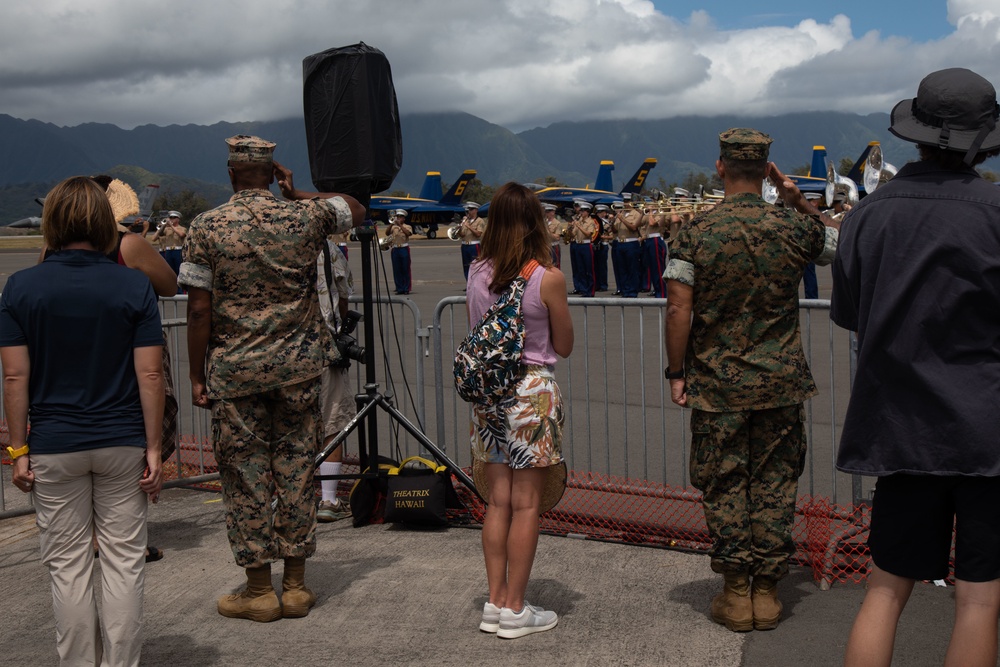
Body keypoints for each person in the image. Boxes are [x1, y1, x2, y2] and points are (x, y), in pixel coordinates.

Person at [832, 68, 1000, 667]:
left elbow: (853, 315)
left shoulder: (868, 215)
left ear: (919, 133)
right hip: (987, 434)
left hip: (900, 429)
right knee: (980, 602)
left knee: (883, 588)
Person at [178, 135, 364, 622]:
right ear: (273, 174)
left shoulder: (206, 225)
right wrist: (298, 194)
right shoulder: (304, 217)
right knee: (298, 468)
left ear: (231, 173)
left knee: (245, 476)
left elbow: (199, 310)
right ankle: (297, 586)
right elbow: (355, 209)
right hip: (299, 369)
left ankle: (259, 590)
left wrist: (197, 375)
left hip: (235, 372)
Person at [664, 128, 839, 632]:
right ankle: (768, 590)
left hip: (718, 385)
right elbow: (836, 243)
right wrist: (797, 201)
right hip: (780, 382)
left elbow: (679, 307)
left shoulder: (696, 232)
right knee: (774, 483)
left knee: (725, 483)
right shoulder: (790, 226)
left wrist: (677, 373)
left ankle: (736, 592)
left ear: (720, 168)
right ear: (766, 170)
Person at [1, 176, 164, 666]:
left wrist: (17, 449)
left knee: (67, 570)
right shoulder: (133, 284)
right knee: (123, 564)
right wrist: (153, 447)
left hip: (54, 443)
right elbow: (150, 372)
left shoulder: (22, 286)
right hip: (121, 440)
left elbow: (14, 377)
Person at [467, 182, 573, 639]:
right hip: (531, 394)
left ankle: (494, 601)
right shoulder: (546, 277)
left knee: (497, 502)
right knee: (528, 505)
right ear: (536, 221)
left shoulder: (476, 272)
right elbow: (564, 346)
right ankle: (515, 608)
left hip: (490, 394)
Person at [315, 240, 356, 523]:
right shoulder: (325, 247)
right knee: (332, 421)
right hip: (320, 344)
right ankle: (328, 499)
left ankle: (289, 495)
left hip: (274, 349)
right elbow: (342, 294)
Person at [569, 202, 596, 297]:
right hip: (578, 245)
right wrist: (570, 228)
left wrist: (579, 226)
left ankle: (591, 290)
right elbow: (573, 234)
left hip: (586, 245)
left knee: (589, 269)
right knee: (581, 269)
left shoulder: (590, 222)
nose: (581, 213)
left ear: (587, 212)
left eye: (583, 211)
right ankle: (584, 290)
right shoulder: (579, 221)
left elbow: (588, 234)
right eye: (581, 211)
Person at [151, 210, 186, 281]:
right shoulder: (166, 229)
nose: (171, 219)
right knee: (170, 270)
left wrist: (172, 226)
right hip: (168, 251)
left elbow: (182, 235)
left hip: (178, 251)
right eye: (170, 217)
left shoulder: (182, 228)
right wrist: (163, 226)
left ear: (178, 219)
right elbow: (158, 235)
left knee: (178, 270)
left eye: (173, 218)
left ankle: (180, 289)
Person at [386, 208, 413, 294]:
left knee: (405, 269)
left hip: (403, 248)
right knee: (396, 269)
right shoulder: (393, 227)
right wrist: (391, 224)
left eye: (400, 217)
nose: (398, 218)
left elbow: (408, 233)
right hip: (395, 249)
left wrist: (400, 225)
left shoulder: (407, 226)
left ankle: (406, 288)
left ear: (404, 218)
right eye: (397, 216)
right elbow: (387, 233)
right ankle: (399, 288)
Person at [458, 201, 487, 280]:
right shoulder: (466, 220)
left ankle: (476, 283)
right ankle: (468, 283)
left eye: (471, 210)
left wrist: (468, 226)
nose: (469, 212)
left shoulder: (480, 221)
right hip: (464, 245)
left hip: (474, 245)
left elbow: (478, 234)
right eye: (468, 210)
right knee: (466, 266)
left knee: (475, 265)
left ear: (476, 210)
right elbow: (462, 234)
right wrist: (459, 229)